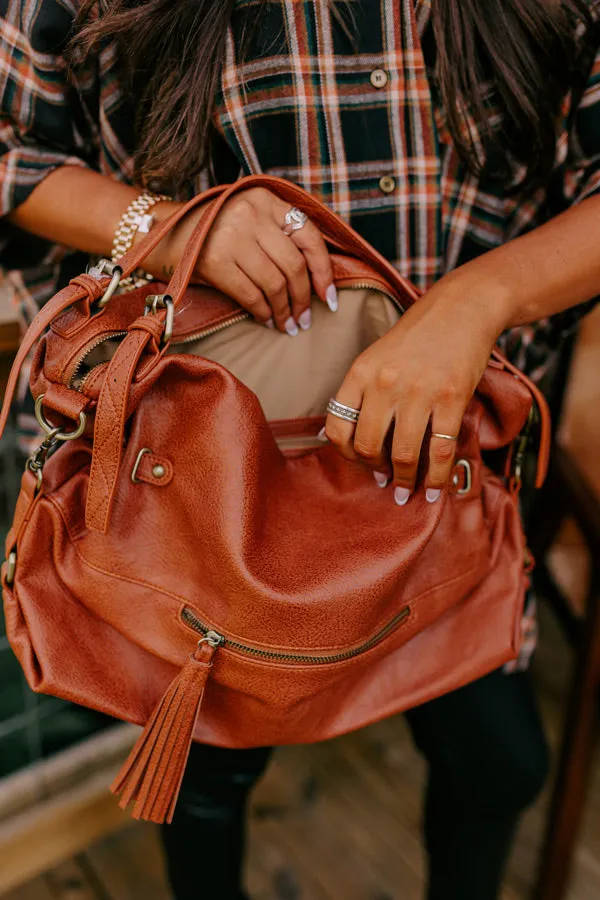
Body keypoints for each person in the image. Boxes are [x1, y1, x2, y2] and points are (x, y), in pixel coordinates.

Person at [2, 0, 600, 897]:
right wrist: (162, 229)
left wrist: (480, 300)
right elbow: (15, 149)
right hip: (202, 489)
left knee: (497, 760)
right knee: (208, 772)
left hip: (450, 467)